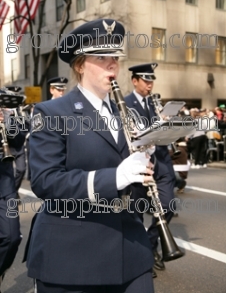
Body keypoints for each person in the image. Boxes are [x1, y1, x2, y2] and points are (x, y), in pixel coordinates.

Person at [25, 19, 155, 293]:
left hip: (130, 249)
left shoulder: (127, 114)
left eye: (115, 58)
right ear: (80, 64)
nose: (112, 65)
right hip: (73, 254)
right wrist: (115, 177)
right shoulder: (51, 113)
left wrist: (144, 167)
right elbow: (45, 181)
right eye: (101, 57)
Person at [124, 63, 181, 277]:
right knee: (136, 211)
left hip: (161, 160)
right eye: (146, 80)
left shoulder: (155, 103)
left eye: (151, 80)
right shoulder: (124, 104)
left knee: (168, 204)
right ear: (135, 81)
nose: (150, 85)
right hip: (139, 161)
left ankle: (150, 242)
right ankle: (141, 256)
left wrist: (168, 124)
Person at [0, 90, 24, 290]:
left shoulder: (3, 99)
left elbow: (17, 142)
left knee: (12, 236)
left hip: (4, 182)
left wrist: (9, 118)